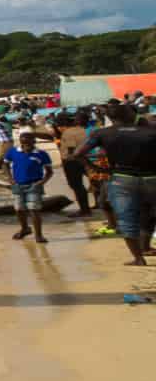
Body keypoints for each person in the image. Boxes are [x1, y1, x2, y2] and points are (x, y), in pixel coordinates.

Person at [80, 103, 156, 266]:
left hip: (121, 178)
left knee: (126, 218)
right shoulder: (150, 131)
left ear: (110, 117)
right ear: (131, 115)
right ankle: (145, 247)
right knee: (149, 215)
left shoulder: (102, 133)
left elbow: (78, 153)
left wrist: (97, 168)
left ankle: (138, 258)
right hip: (151, 178)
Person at [3, 128, 54, 244]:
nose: (26, 146)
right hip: (17, 184)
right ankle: (25, 228)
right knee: (19, 209)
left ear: (34, 142)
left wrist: (41, 182)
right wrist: (10, 179)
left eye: (28, 143)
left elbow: (49, 171)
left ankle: (39, 235)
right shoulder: (13, 151)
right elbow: (5, 164)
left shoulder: (42, 154)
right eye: (23, 143)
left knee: (34, 210)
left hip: (34, 184)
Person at [55, 115, 92, 216]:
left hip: (72, 161)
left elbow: (72, 149)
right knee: (95, 182)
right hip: (88, 158)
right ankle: (97, 204)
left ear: (61, 125)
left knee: (76, 185)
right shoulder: (82, 129)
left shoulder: (67, 133)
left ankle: (84, 210)